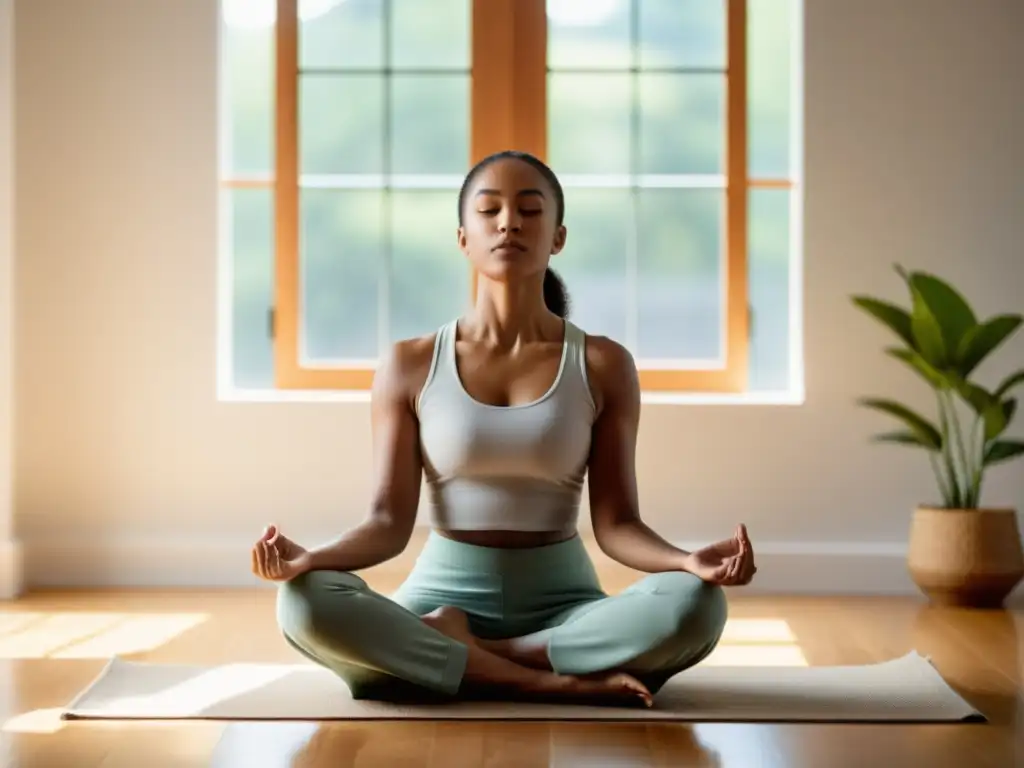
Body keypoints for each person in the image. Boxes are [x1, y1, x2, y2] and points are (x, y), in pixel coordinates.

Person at [251, 150, 757, 707]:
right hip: (437, 599)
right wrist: (311, 560)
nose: (509, 222)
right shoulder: (410, 363)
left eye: (529, 210)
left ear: (557, 237)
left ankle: (458, 660)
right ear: (464, 237)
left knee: (697, 605)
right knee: (303, 601)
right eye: (489, 210)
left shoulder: (603, 364)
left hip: (564, 608)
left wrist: (686, 562)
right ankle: (545, 679)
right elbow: (387, 523)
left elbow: (616, 524)